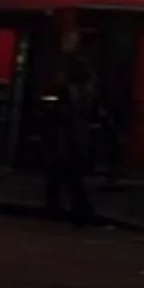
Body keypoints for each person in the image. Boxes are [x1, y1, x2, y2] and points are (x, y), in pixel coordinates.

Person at [42, 52, 99, 228]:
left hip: (67, 135)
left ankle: (77, 210)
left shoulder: (69, 90)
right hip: (78, 134)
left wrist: (53, 108)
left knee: (66, 173)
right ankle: (73, 209)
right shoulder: (88, 90)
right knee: (67, 174)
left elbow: (58, 109)